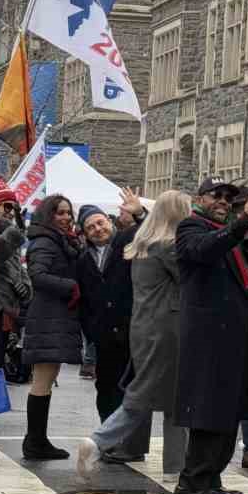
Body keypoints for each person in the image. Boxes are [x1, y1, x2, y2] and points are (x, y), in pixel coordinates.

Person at [173, 181, 248, 494]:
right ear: (199, 199)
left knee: (229, 409)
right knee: (209, 409)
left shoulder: (233, 234)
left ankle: (211, 477)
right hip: (209, 335)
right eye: (215, 196)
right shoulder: (191, 226)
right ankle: (192, 481)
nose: (222, 201)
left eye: (228, 198)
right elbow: (203, 250)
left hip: (236, 334)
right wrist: (242, 223)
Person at [77, 190, 193, 478]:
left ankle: (177, 466)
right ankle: (100, 440)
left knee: (166, 397)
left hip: (143, 328)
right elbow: (189, 277)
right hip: (168, 329)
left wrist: (140, 213)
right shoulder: (167, 246)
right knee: (152, 396)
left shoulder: (142, 243)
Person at [22, 194, 84, 461]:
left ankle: (37, 439)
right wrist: (71, 286)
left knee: (45, 379)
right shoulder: (45, 241)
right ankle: (35, 441)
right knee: (43, 379)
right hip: (48, 316)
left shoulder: (57, 239)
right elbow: (37, 275)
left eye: (69, 213)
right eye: (60, 213)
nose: (66, 217)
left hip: (53, 316)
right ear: (48, 215)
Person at [76, 194, 146, 422]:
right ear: (85, 234)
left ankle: (128, 442)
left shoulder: (126, 241)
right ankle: (108, 439)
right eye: (90, 227)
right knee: (106, 389)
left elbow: (149, 232)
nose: (97, 229)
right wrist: (91, 331)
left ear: (109, 220)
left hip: (131, 330)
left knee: (132, 390)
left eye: (100, 222)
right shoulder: (83, 260)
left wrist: (139, 213)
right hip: (104, 337)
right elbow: (84, 300)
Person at [0, 191, 30, 378]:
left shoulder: (8, 234)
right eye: (7, 206)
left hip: (8, 308)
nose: (11, 212)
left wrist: (25, 286)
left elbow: (18, 267)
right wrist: (16, 232)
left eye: (14, 207)